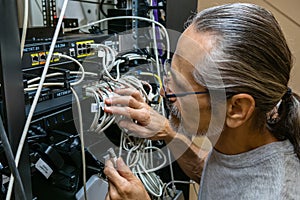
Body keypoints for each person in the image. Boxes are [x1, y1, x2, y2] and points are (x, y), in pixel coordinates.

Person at [103, 3, 300, 200]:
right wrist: (167, 131)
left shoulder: (276, 193)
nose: (163, 92)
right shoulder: (243, 143)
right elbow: (216, 176)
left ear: (237, 108)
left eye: (178, 86)